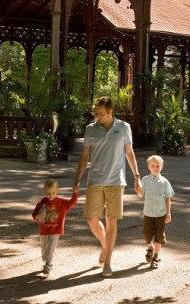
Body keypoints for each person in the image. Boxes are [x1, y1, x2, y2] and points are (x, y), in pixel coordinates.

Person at [73, 96, 140, 278]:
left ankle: (108, 262)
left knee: (111, 220)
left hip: (116, 181)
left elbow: (129, 152)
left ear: (111, 112)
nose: (98, 117)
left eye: (101, 114)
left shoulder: (123, 127)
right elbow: (85, 156)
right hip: (95, 180)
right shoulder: (90, 129)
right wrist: (78, 179)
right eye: (96, 114)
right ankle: (105, 244)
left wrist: (136, 176)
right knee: (91, 218)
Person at [31, 179, 79, 275]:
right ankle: (47, 260)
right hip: (44, 230)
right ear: (44, 192)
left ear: (57, 191)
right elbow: (34, 216)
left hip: (55, 230)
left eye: (53, 192)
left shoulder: (61, 203)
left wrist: (75, 193)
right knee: (44, 248)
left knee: (51, 247)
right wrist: (37, 217)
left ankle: (48, 264)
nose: (51, 195)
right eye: (48, 193)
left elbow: (72, 203)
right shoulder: (42, 203)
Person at [135, 155, 174, 269]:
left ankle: (156, 256)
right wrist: (138, 190)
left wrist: (168, 213)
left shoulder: (164, 182)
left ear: (161, 167)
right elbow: (141, 195)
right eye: (153, 166)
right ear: (149, 167)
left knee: (159, 236)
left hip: (160, 214)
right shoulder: (145, 180)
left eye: (158, 166)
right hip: (148, 213)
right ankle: (150, 247)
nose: (155, 168)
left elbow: (168, 198)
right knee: (147, 235)